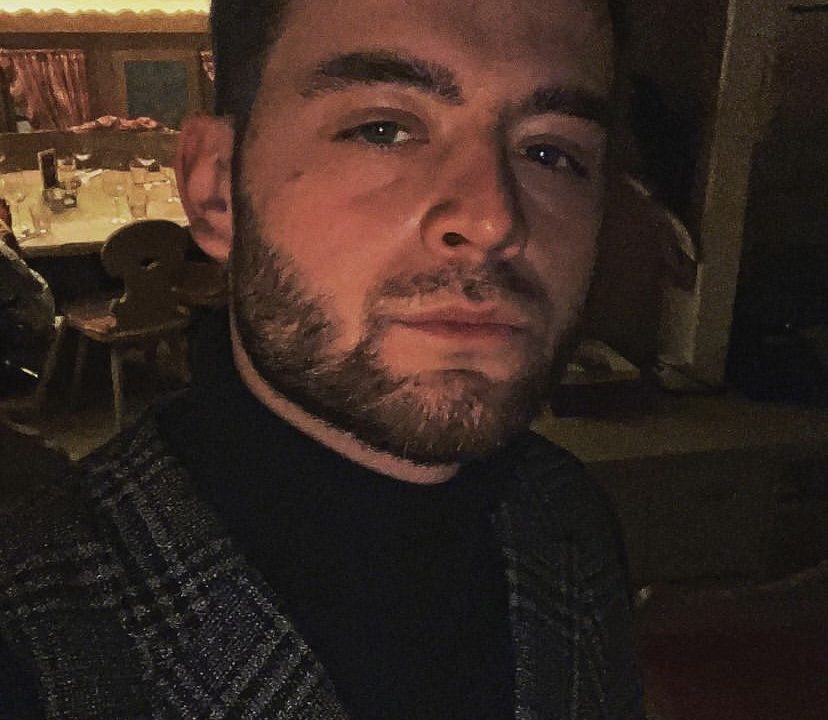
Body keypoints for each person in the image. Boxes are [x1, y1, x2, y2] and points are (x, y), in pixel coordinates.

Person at [0, 0, 645, 717]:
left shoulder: (570, 519)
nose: (493, 220)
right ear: (216, 189)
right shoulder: (31, 636)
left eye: (551, 153)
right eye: (382, 130)